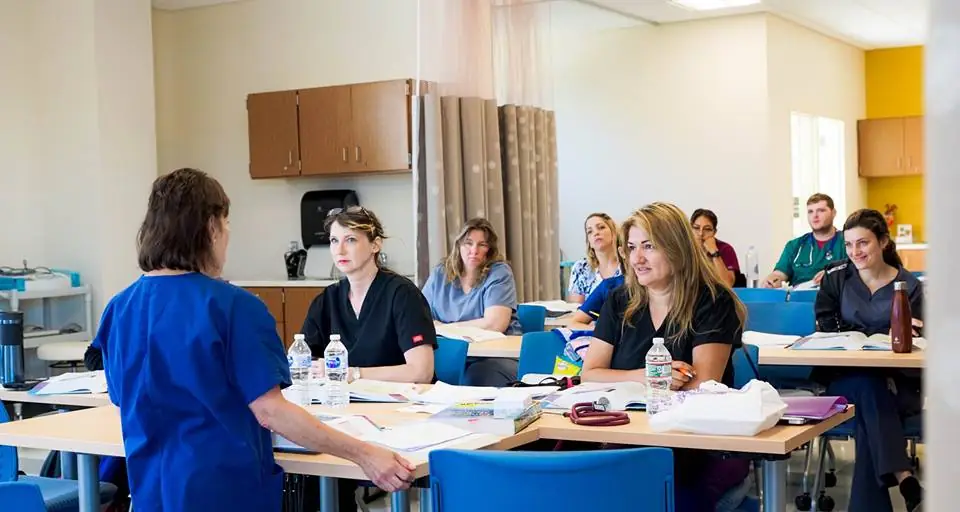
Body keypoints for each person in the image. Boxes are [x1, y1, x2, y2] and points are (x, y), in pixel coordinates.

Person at [93, 168, 413, 512]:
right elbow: (271, 411)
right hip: (224, 493)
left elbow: (122, 397)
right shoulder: (234, 307)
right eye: (226, 224)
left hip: (150, 492)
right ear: (211, 227)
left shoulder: (118, 309)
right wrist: (365, 454)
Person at [580, 202, 749, 511]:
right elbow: (590, 373)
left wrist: (669, 380)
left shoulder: (712, 300)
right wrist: (646, 376)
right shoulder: (619, 300)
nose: (637, 259)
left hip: (696, 445)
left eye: (649, 246)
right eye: (631, 248)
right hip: (626, 433)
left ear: (677, 247)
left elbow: (704, 382)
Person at [814, 209, 924, 512]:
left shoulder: (908, 286)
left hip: (897, 383)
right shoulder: (836, 278)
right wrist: (877, 332)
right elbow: (826, 326)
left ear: (883, 242)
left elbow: (915, 335)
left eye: (862, 243)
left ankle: (902, 477)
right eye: (849, 245)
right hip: (845, 378)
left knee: (867, 406)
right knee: (866, 386)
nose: (854, 252)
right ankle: (903, 476)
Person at [301, 206, 437, 384]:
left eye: (350, 240)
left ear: (375, 244)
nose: (339, 250)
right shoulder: (327, 300)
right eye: (334, 240)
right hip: (342, 404)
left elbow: (421, 373)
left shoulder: (403, 295)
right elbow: (302, 362)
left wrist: (353, 374)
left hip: (399, 404)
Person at [422, 217, 522, 386]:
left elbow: (495, 324)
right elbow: (419, 317)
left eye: (482, 245)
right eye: (468, 243)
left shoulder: (499, 273)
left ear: (489, 250)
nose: (474, 250)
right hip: (448, 355)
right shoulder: (440, 273)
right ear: (459, 245)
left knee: (474, 377)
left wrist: (445, 328)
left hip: (492, 357)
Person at [763, 193, 847, 288]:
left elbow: (858, 272)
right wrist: (772, 280)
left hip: (835, 298)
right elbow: (780, 274)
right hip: (799, 299)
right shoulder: (795, 245)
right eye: (810, 211)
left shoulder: (847, 242)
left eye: (821, 211)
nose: (815, 216)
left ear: (833, 213)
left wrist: (834, 275)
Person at [566, 212, 623, 303]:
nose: (596, 233)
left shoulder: (629, 265)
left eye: (601, 227)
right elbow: (575, 308)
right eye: (590, 231)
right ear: (589, 243)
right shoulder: (581, 267)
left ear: (613, 233)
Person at [690, 208, 740, 287]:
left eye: (707, 229)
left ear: (714, 232)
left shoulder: (726, 249)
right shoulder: (684, 248)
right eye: (696, 228)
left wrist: (714, 252)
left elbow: (727, 284)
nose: (701, 233)